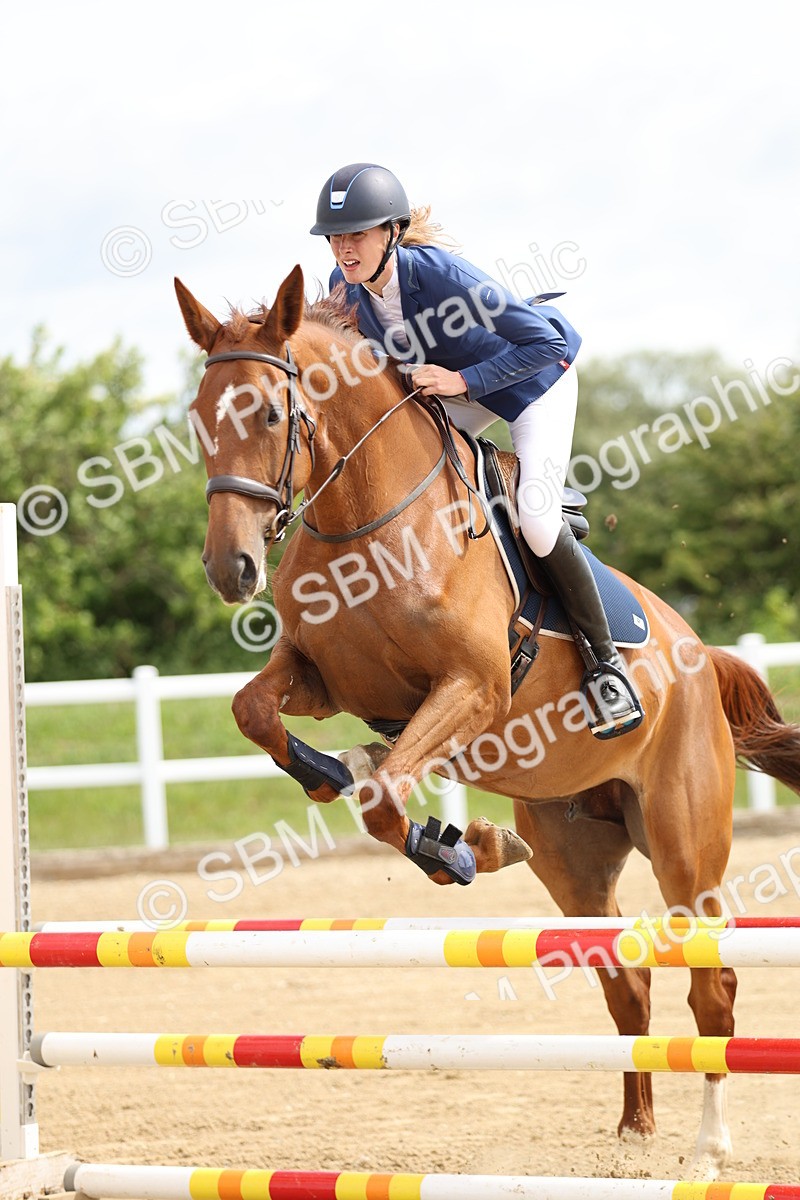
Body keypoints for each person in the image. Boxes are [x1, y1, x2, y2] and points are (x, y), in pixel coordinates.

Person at [309, 162, 642, 738]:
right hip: (460, 385)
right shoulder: (350, 296)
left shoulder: (439, 274)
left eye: (356, 234)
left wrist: (463, 383)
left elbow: (548, 342)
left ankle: (605, 665)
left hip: (537, 381)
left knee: (536, 522)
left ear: (391, 232)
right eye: (336, 236)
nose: (344, 247)